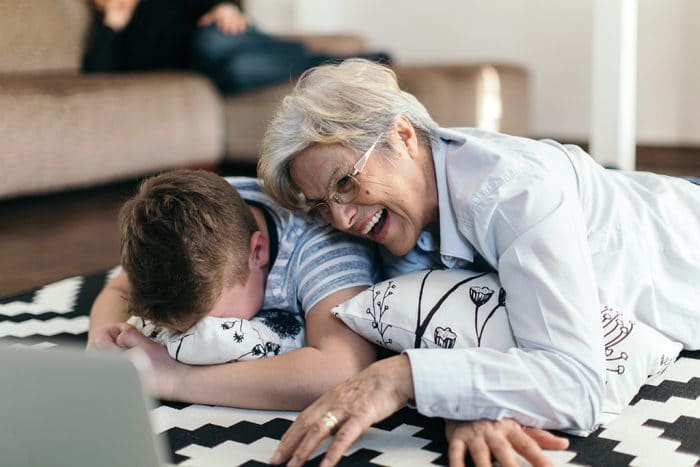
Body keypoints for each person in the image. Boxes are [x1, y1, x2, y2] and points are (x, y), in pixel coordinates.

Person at [257, 58, 700, 467]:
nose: (340, 218)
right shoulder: (403, 214)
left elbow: (576, 384)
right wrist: (470, 400)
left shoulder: (512, 193)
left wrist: (399, 377)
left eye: (346, 184)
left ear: (403, 136)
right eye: (322, 206)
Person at [88, 169, 381, 410]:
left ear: (257, 252)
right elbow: (117, 290)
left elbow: (343, 369)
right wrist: (106, 339)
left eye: (209, 322)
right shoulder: (178, 227)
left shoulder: (321, 249)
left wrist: (175, 378)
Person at [82, 0, 391, 94]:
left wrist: (225, 7)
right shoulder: (113, 36)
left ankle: (337, 60)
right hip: (206, 69)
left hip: (216, 39)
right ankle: (337, 62)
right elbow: (97, 74)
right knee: (240, 71)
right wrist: (113, 23)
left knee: (212, 41)